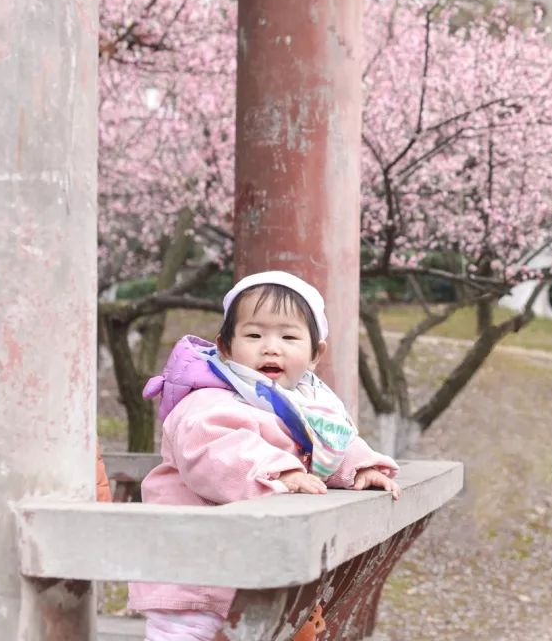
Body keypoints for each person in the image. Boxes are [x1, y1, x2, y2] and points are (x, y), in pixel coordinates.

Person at [128, 271, 400, 641]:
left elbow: (330, 443)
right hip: (194, 579)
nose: (271, 348)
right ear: (225, 347)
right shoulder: (208, 402)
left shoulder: (306, 406)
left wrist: (360, 467)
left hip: (247, 573)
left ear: (315, 354)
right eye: (254, 335)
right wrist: (278, 472)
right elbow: (214, 452)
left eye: (289, 337)